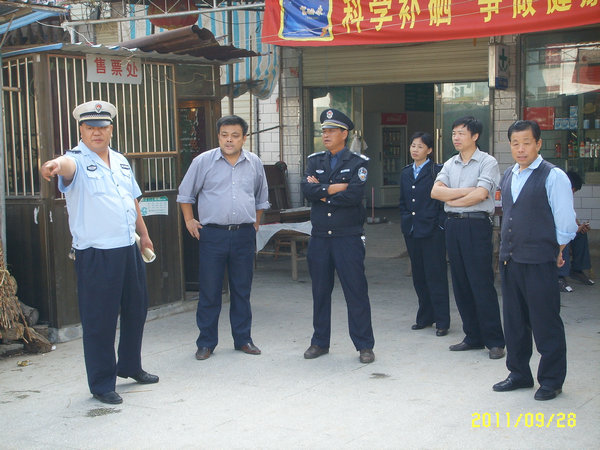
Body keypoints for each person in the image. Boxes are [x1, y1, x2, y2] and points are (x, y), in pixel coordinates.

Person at [40, 100, 158, 405]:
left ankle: (129, 365)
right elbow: (64, 166)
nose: (96, 132)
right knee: (100, 320)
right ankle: (102, 383)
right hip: (97, 253)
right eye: (90, 127)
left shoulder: (120, 161)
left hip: (128, 247)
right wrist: (53, 165)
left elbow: (132, 201)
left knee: (136, 310)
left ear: (111, 130)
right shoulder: (75, 160)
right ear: (81, 130)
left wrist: (144, 235)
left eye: (102, 127)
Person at [493, 120, 577, 401]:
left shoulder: (553, 176)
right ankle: (519, 373)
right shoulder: (509, 175)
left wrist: (560, 249)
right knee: (514, 322)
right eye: (515, 143)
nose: (521, 149)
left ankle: (551, 380)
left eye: (526, 143)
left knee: (545, 321)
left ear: (538, 144)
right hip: (511, 260)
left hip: (540, 260)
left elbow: (566, 221)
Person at [177, 115, 269, 361]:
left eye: (235, 135)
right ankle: (206, 343)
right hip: (213, 235)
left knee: (242, 289)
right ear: (218, 136)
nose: (229, 140)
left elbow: (261, 198)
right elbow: (185, 194)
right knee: (210, 291)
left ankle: (243, 339)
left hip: (243, 235)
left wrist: (255, 223)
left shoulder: (254, 163)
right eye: (224, 135)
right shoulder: (203, 161)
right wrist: (189, 220)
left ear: (244, 138)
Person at [301, 108, 375, 364]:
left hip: (348, 237)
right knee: (320, 292)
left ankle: (364, 345)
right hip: (320, 237)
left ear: (345, 134)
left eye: (332, 131)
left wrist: (321, 192)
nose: (326, 135)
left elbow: (354, 195)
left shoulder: (358, 162)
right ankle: (319, 342)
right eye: (324, 131)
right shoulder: (315, 160)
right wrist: (333, 189)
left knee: (356, 292)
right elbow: (306, 190)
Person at [431, 116, 505, 360]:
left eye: (461, 133)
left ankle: (494, 341)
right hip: (453, 226)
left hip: (476, 226)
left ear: (475, 136)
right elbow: (435, 192)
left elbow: (481, 195)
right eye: (454, 133)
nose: (456, 137)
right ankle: (472, 337)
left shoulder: (487, 161)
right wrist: (465, 194)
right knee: (460, 283)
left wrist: (452, 199)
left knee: (481, 282)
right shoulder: (450, 163)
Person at [399, 132, 450, 336]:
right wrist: (405, 220)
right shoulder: (406, 172)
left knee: (435, 275)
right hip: (412, 230)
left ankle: (442, 321)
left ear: (429, 150)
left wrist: (439, 225)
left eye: (420, 146)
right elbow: (403, 201)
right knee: (419, 276)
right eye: (413, 145)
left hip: (432, 231)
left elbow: (442, 202)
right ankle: (425, 317)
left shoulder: (437, 171)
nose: (415, 149)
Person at [557, 170, 595, 292]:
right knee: (565, 236)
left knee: (580, 235)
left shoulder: (566, 198)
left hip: (564, 229)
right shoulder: (553, 196)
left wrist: (580, 227)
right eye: (573, 190)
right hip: (550, 233)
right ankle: (559, 276)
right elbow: (561, 223)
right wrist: (574, 228)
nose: (572, 193)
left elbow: (570, 217)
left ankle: (577, 269)